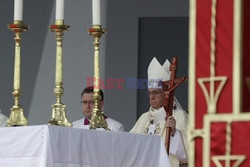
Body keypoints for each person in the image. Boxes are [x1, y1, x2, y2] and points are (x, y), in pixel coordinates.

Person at [130, 57, 188, 166]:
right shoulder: (144, 118)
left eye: (156, 92)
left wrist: (175, 133)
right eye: (149, 93)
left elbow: (189, 154)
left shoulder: (179, 116)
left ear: (166, 93)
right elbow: (130, 144)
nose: (152, 97)